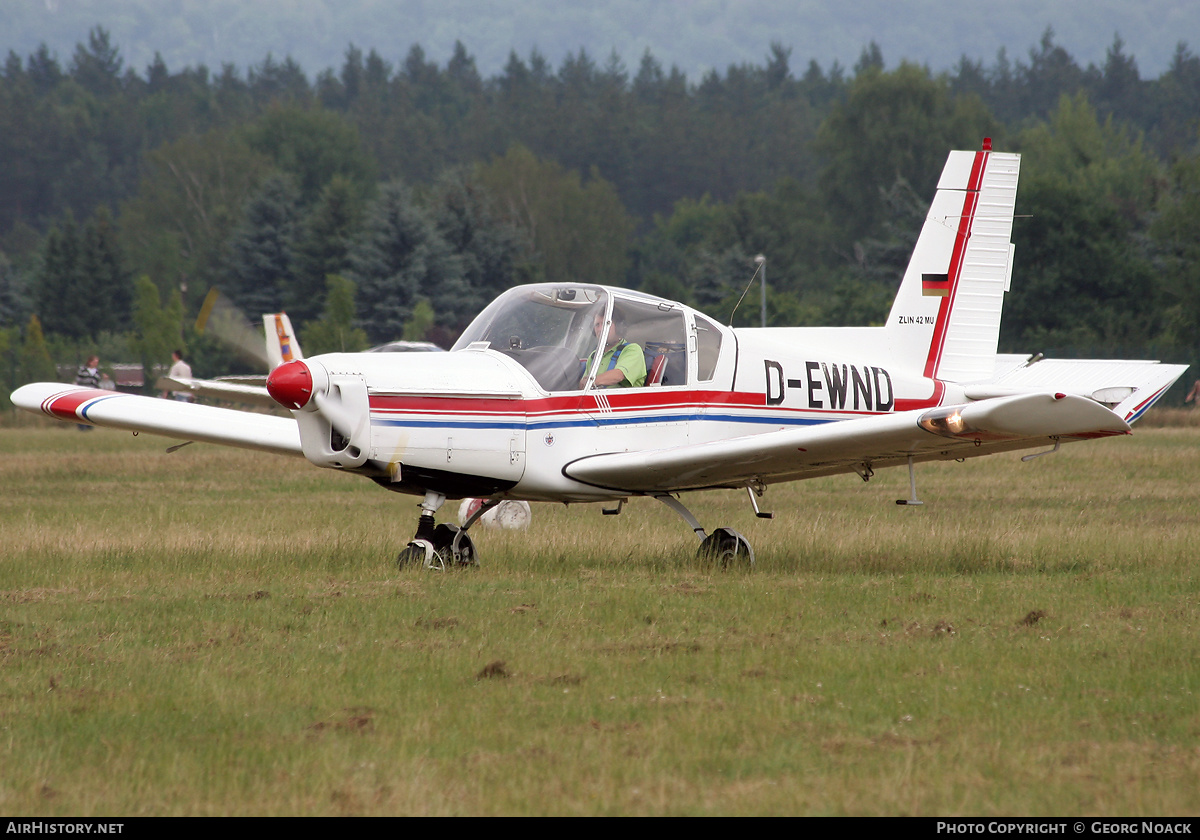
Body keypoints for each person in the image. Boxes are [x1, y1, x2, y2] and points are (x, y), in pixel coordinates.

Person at [580, 310, 646, 389]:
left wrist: (590, 382)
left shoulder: (632, 350)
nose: (600, 329)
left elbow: (618, 375)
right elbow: (583, 385)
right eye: (597, 325)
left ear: (619, 327)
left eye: (606, 323)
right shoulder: (594, 356)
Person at [74, 355, 101, 430]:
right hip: (83, 395)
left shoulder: (97, 372)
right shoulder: (82, 371)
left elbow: (97, 383)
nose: (96, 363)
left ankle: (90, 427)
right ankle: (81, 427)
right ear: (90, 362)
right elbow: (78, 381)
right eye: (95, 362)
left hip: (93, 395)